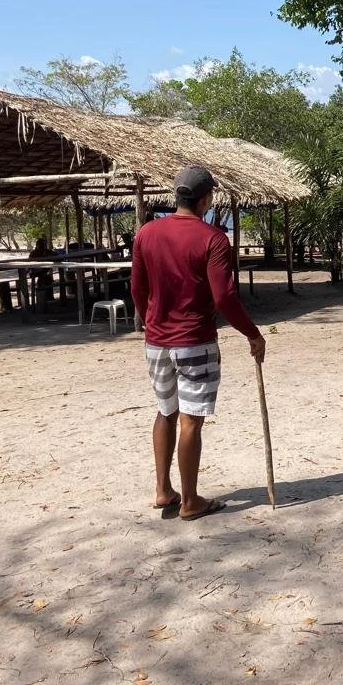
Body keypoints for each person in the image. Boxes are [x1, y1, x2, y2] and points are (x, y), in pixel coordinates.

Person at [131, 165, 266, 522]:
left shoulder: (146, 233)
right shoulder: (213, 238)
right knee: (191, 419)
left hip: (156, 341)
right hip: (195, 340)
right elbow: (224, 297)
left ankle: (163, 489)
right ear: (206, 198)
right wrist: (252, 333)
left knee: (165, 411)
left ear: (176, 195)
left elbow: (137, 289)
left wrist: (151, 322)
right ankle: (190, 500)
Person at [27, 236, 57, 302]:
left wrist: (49, 254)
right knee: (46, 278)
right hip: (36, 271)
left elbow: (56, 255)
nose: (42, 246)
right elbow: (29, 264)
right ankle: (46, 297)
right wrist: (28, 271)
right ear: (37, 245)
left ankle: (49, 297)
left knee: (47, 278)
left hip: (43, 270)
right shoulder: (33, 253)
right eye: (41, 245)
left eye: (44, 245)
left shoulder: (46, 251)